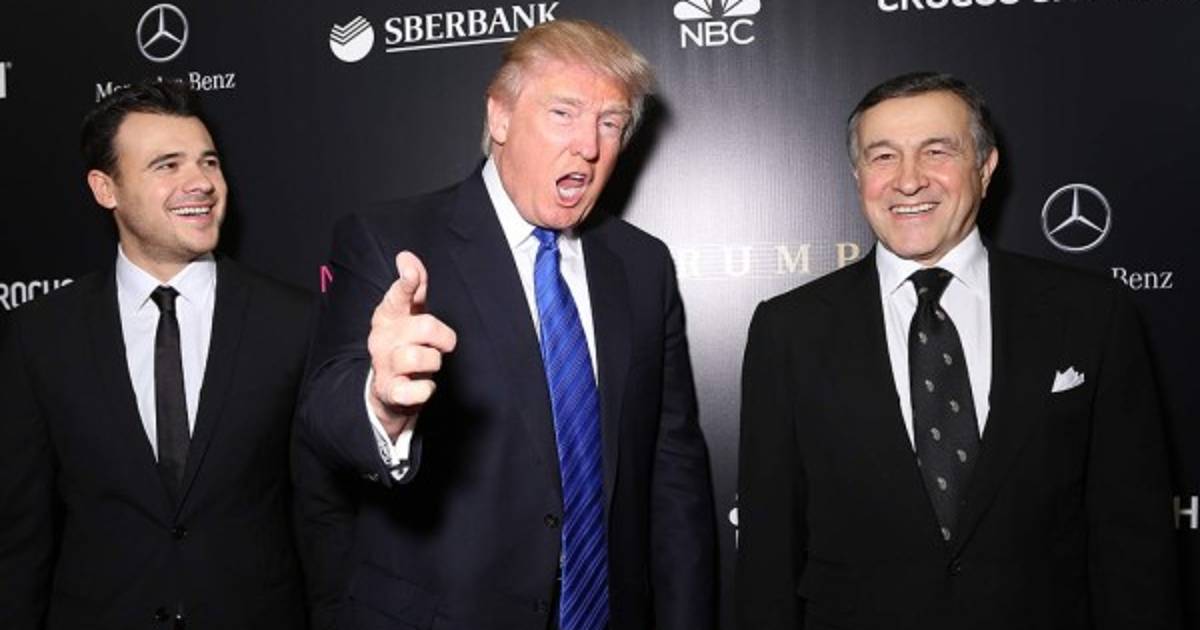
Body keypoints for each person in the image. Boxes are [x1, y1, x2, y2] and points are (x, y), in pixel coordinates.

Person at [294, 18, 716, 630]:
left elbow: (672, 469)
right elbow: (326, 407)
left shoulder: (642, 264)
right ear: (500, 117)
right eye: (563, 113)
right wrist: (382, 405)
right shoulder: (390, 239)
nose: (589, 146)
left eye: (611, 122)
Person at [735, 71, 1180, 629]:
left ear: (985, 168)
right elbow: (768, 554)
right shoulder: (788, 329)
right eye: (883, 157)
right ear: (858, 175)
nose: (908, 180)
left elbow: (1134, 536)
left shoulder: (1090, 311)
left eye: (937, 151)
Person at [0, 80, 311, 629]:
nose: (202, 182)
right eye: (167, 165)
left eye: (208, 162)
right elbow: (20, 536)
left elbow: (324, 517)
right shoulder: (40, 335)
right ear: (105, 189)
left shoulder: (294, 321)